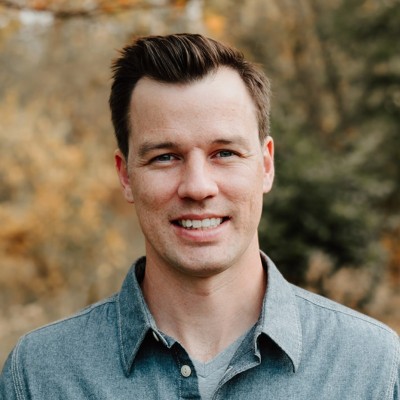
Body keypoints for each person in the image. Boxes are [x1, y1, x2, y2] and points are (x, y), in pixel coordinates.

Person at [0, 33, 399, 400]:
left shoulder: (374, 369)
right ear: (126, 176)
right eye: (165, 157)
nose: (197, 186)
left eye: (224, 153)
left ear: (266, 165)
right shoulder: (40, 375)